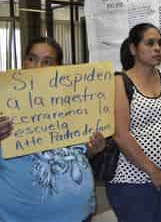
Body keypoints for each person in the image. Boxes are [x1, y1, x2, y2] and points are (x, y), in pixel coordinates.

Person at [0, 37, 105, 222]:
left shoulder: (75, 103)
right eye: (31, 59)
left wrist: (93, 149)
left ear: (58, 67)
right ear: (23, 62)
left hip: (79, 216)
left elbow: (78, 154)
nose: (37, 66)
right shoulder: (4, 104)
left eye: (47, 61)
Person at [107, 23, 161, 222]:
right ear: (133, 49)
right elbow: (121, 135)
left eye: (160, 43)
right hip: (133, 184)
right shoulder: (120, 82)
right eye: (150, 43)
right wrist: (153, 172)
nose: (157, 48)